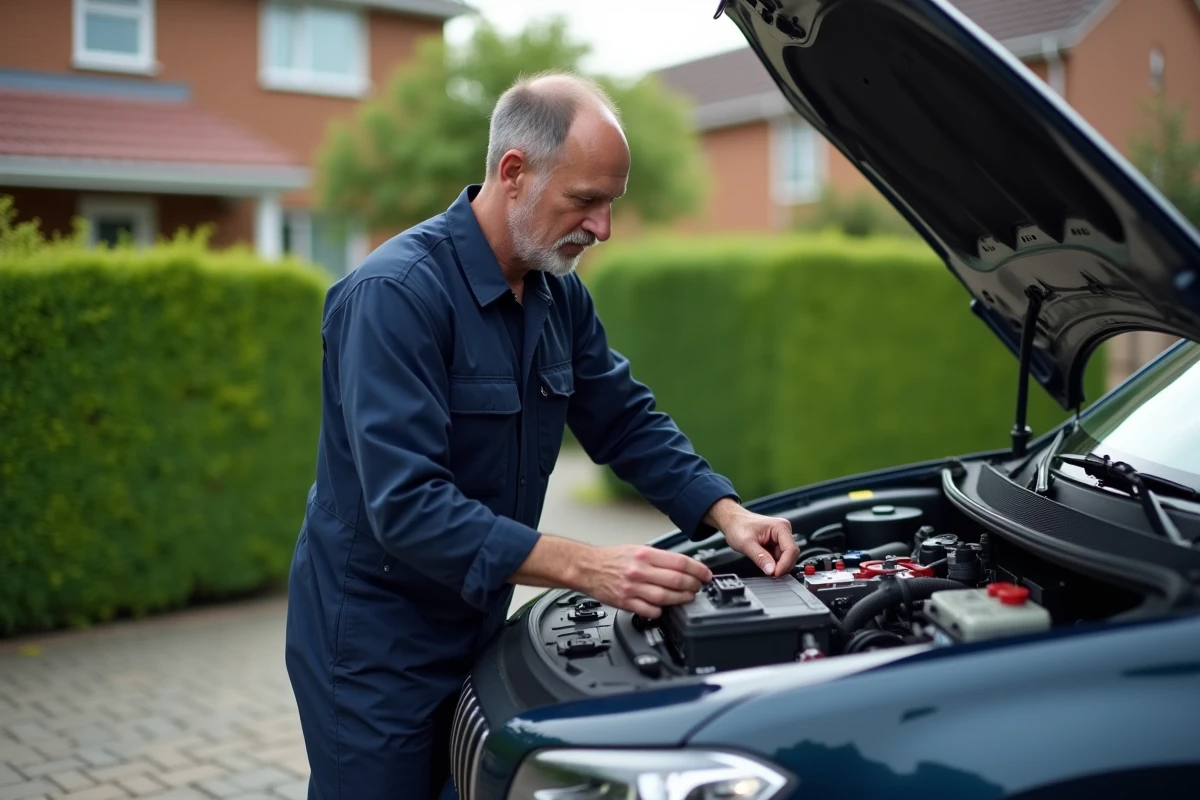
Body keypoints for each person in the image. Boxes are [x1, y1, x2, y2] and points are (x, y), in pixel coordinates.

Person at [283, 71, 800, 800]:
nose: (603, 228)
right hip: (374, 645)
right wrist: (589, 566)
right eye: (585, 200)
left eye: (611, 203)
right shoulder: (394, 296)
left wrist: (727, 513)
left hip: (479, 622)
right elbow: (408, 505)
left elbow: (623, 417)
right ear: (514, 172)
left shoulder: (558, 293)